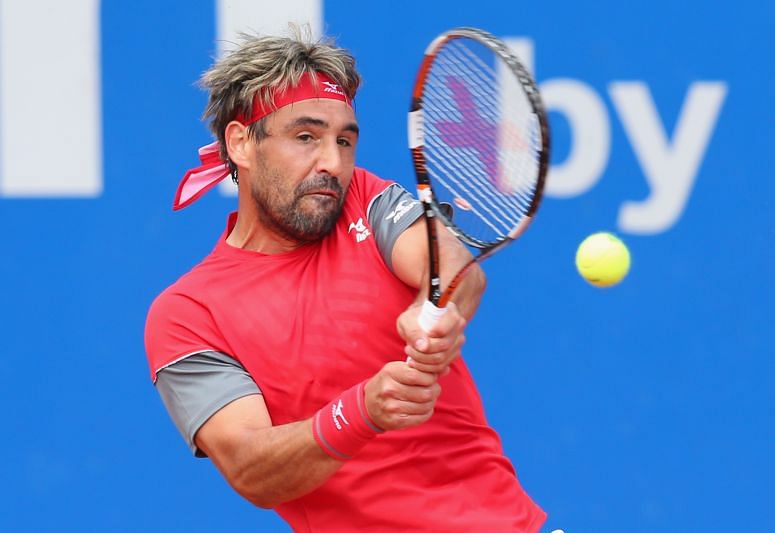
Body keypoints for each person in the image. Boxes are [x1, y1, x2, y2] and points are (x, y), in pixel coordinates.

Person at [144, 28, 546, 532]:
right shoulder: (188, 314)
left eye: (344, 140)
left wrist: (435, 309)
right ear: (241, 143)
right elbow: (252, 469)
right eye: (305, 137)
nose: (332, 163)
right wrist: (363, 411)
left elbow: (452, 268)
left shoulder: (364, 197)